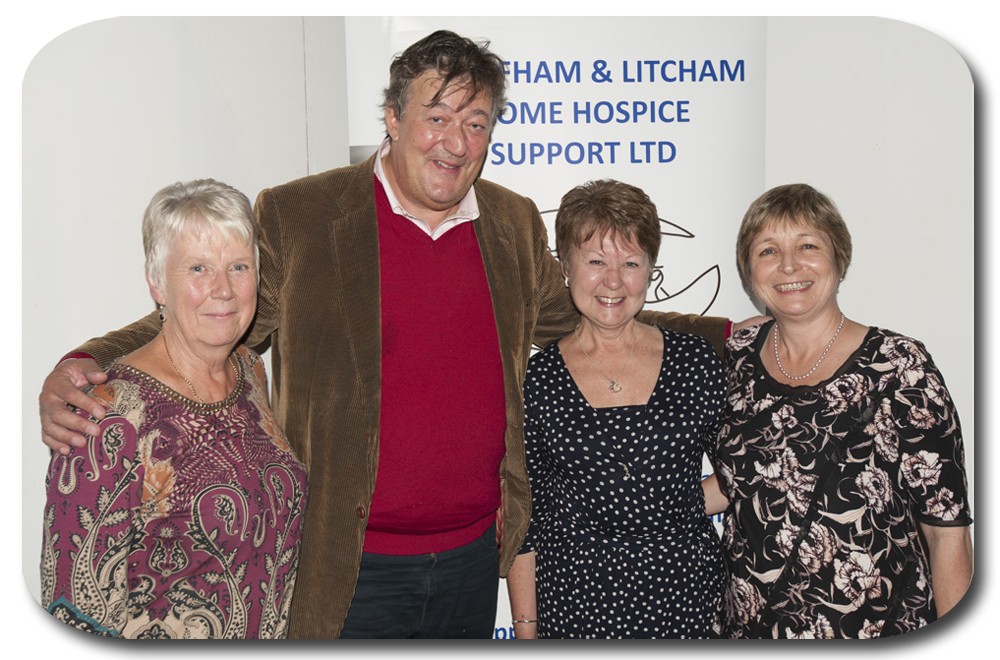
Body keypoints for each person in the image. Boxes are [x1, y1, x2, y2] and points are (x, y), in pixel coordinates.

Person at [37, 31, 734, 638]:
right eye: (438, 117)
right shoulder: (303, 214)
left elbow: (585, 305)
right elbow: (221, 310)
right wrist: (90, 358)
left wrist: (728, 329)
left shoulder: (512, 222)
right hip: (349, 563)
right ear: (393, 118)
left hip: (470, 563)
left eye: (477, 123)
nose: (457, 143)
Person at [40, 180, 309, 638]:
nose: (223, 289)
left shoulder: (250, 372)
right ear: (156, 282)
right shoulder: (105, 417)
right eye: (199, 268)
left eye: (239, 266)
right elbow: (74, 610)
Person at [704, 183, 973, 638]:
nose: (789, 265)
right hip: (750, 626)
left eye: (808, 245)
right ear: (749, 271)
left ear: (839, 257)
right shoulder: (733, 359)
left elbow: (946, 532)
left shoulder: (898, 365)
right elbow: (741, 483)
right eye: (768, 250)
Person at [506, 180, 725, 638]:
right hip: (576, 604)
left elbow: (746, 470)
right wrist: (525, 627)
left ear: (650, 271)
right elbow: (528, 518)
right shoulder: (537, 381)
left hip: (686, 599)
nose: (613, 280)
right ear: (565, 267)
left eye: (630, 263)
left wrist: (674, 505)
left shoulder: (697, 361)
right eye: (595, 262)